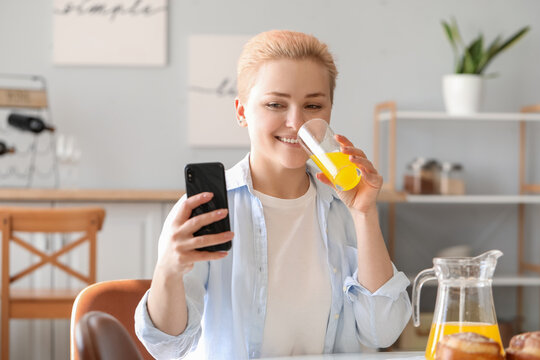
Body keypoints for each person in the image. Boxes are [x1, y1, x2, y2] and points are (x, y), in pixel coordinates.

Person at [135, 29, 412, 359]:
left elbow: (383, 332)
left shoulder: (346, 207)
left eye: (313, 105)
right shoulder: (205, 209)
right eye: (275, 104)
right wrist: (168, 269)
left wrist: (365, 213)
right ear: (241, 112)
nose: (296, 122)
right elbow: (168, 346)